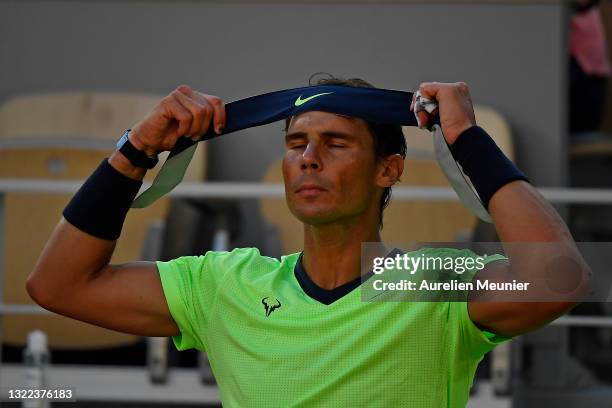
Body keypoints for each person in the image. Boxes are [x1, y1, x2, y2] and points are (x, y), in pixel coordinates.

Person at [26, 77, 591, 407]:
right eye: (296, 142)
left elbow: (558, 278)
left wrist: (467, 139)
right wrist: (135, 150)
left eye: (335, 143)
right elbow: (58, 285)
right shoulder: (226, 283)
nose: (308, 158)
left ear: (389, 170)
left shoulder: (429, 281)